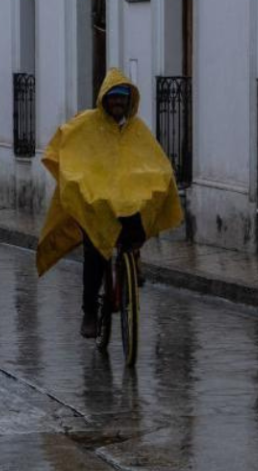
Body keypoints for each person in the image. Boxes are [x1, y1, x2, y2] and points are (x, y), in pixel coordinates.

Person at [36, 68, 183, 338]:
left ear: (129, 101)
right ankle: (90, 312)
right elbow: (66, 147)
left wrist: (160, 178)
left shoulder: (137, 130)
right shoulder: (86, 124)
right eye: (113, 97)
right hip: (97, 208)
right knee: (94, 254)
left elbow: (154, 161)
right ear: (104, 99)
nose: (118, 102)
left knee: (137, 227)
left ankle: (133, 259)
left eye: (122, 98)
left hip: (127, 204)